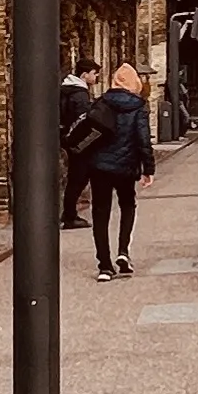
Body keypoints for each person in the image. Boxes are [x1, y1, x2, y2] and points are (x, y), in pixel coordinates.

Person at [79, 60, 156, 280]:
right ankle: (123, 251)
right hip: (126, 165)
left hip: (100, 166)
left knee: (100, 211)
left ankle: (104, 265)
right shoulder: (138, 106)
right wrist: (148, 168)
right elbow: (143, 140)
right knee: (127, 205)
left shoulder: (101, 102)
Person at [55, 69, 97, 232]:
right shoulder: (80, 94)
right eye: (94, 73)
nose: (96, 77)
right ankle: (70, 215)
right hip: (76, 141)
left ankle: (69, 213)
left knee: (75, 177)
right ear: (84, 75)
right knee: (78, 177)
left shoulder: (66, 89)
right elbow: (82, 119)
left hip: (65, 136)